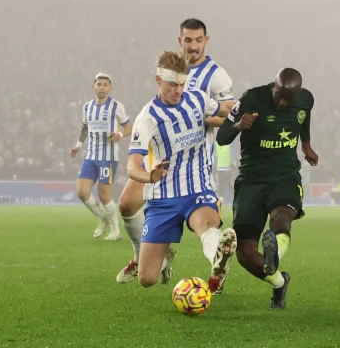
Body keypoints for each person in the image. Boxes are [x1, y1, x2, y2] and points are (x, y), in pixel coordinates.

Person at [116, 19, 235, 295]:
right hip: (162, 188)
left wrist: (248, 117)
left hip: (197, 182)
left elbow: (227, 111)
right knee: (147, 279)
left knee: (206, 226)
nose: (179, 90)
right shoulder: (147, 118)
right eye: (173, 85)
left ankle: (219, 255)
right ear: (159, 80)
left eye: (182, 85)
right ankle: (153, 255)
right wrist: (148, 175)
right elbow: (132, 164)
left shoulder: (198, 94)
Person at [216, 68, 319, 309]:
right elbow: (221, 137)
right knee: (245, 253)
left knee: (281, 216)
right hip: (252, 179)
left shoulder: (306, 99)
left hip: (285, 175)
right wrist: (239, 125)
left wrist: (306, 146)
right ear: (273, 85)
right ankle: (279, 281)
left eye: (288, 99)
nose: (283, 103)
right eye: (279, 96)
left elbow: (303, 119)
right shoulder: (250, 99)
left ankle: (275, 256)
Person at [69, 73, 131, 240]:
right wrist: (78, 146)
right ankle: (103, 217)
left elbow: (129, 127)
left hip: (108, 157)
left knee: (104, 195)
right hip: (90, 156)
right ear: (93, 87)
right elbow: (85, 128)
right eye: (99, 84)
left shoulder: (116, 106)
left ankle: (115, 231)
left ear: (109, 88)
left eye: (105, 84)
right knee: (81, 191)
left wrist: (119, 134)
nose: (102, 87)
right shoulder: (87, 107)